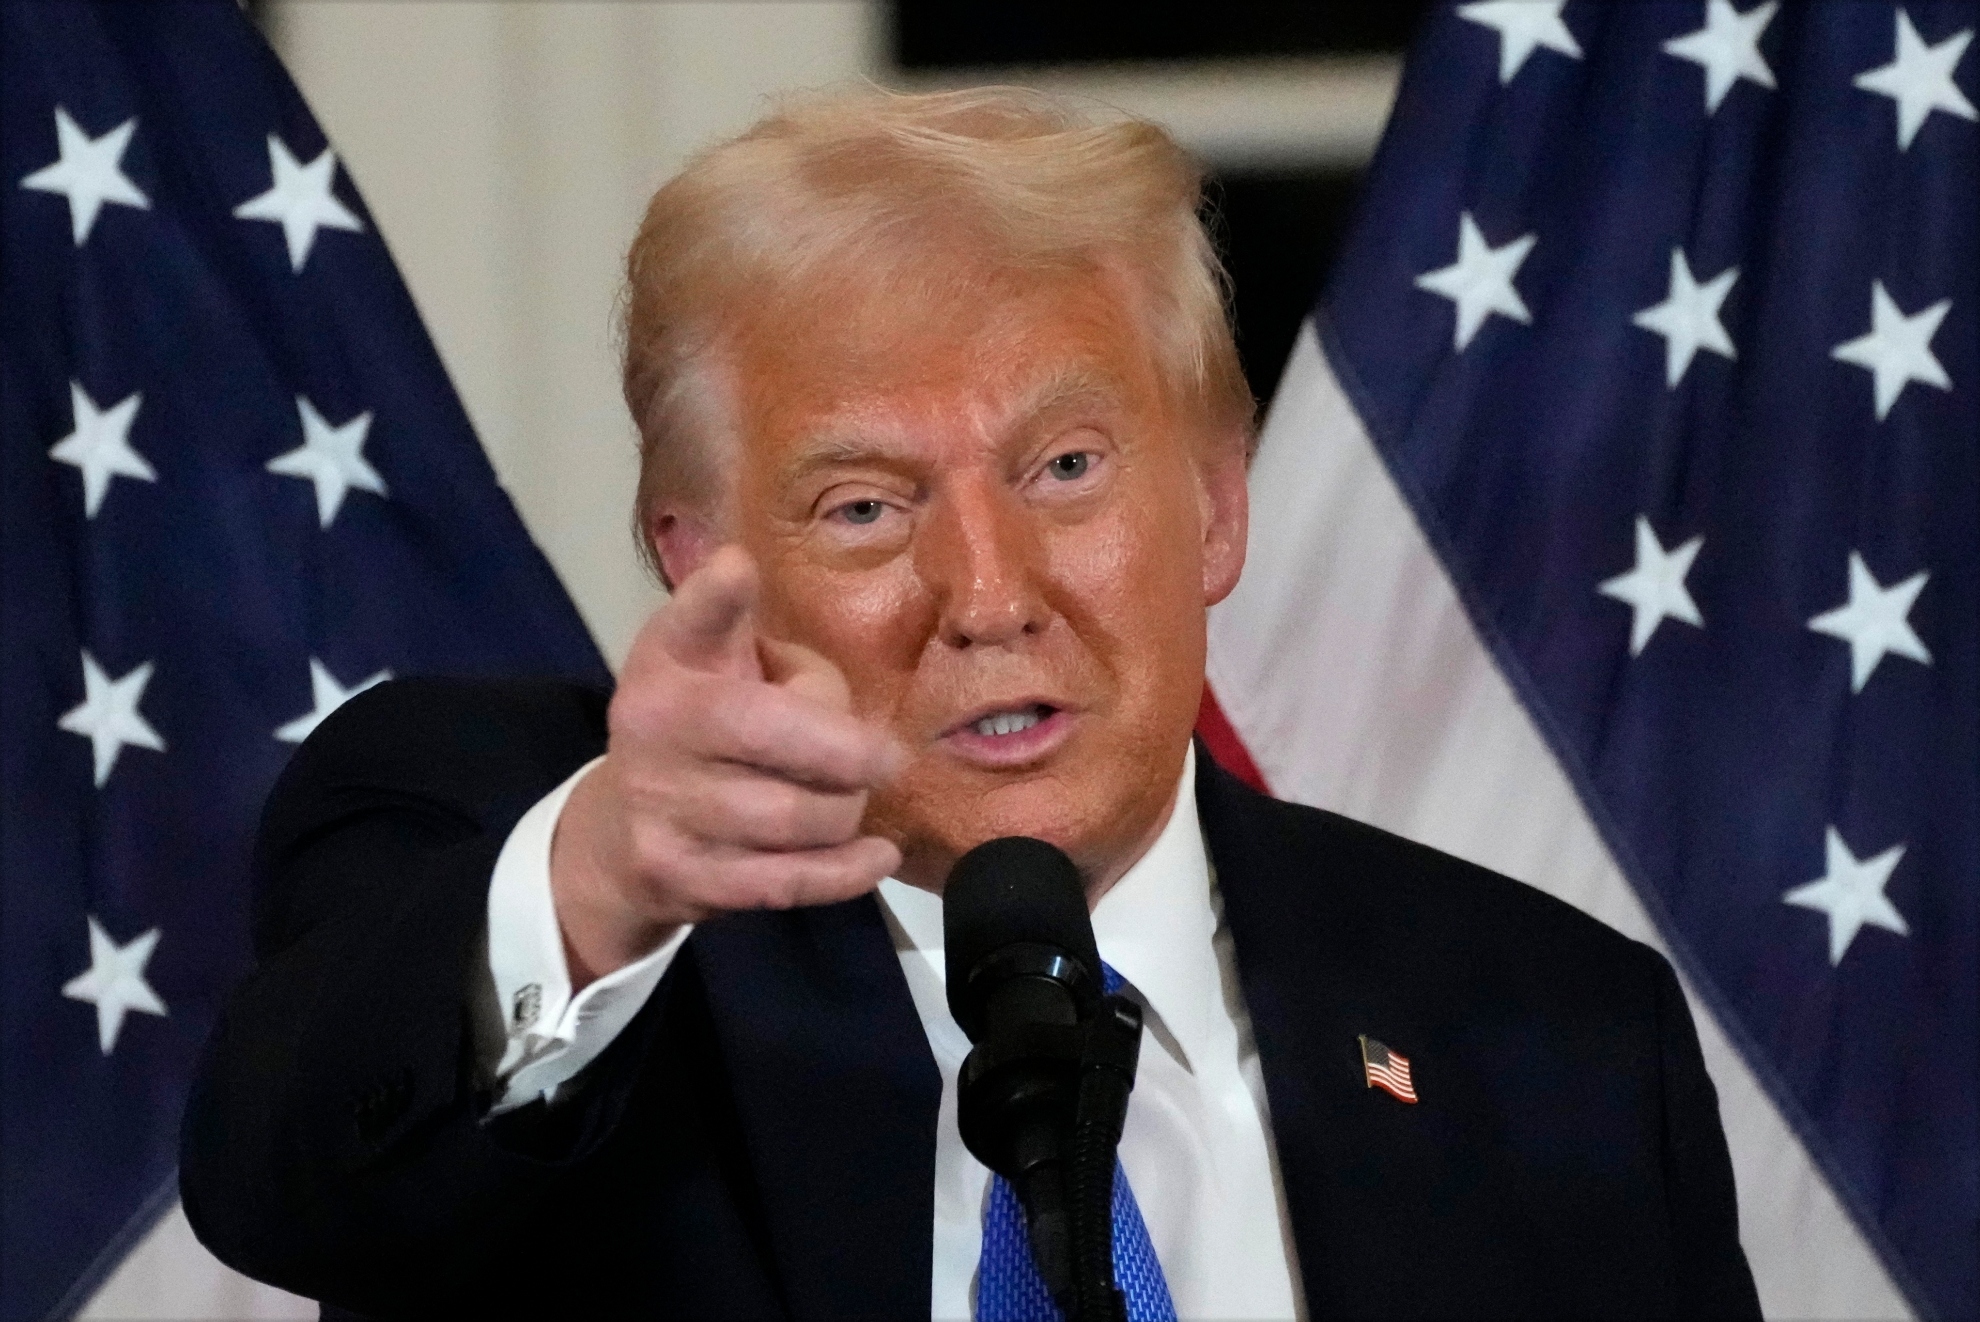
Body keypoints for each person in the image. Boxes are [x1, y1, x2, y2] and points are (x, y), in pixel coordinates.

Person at [181, 88, 1761, 1321]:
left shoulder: (1552, 1032)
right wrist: (600, 877)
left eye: (1065, 469)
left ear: (1216, 508)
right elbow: (288, 1177)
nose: (989, 592)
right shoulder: (526, 857)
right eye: (864, 505)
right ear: (696, 557)